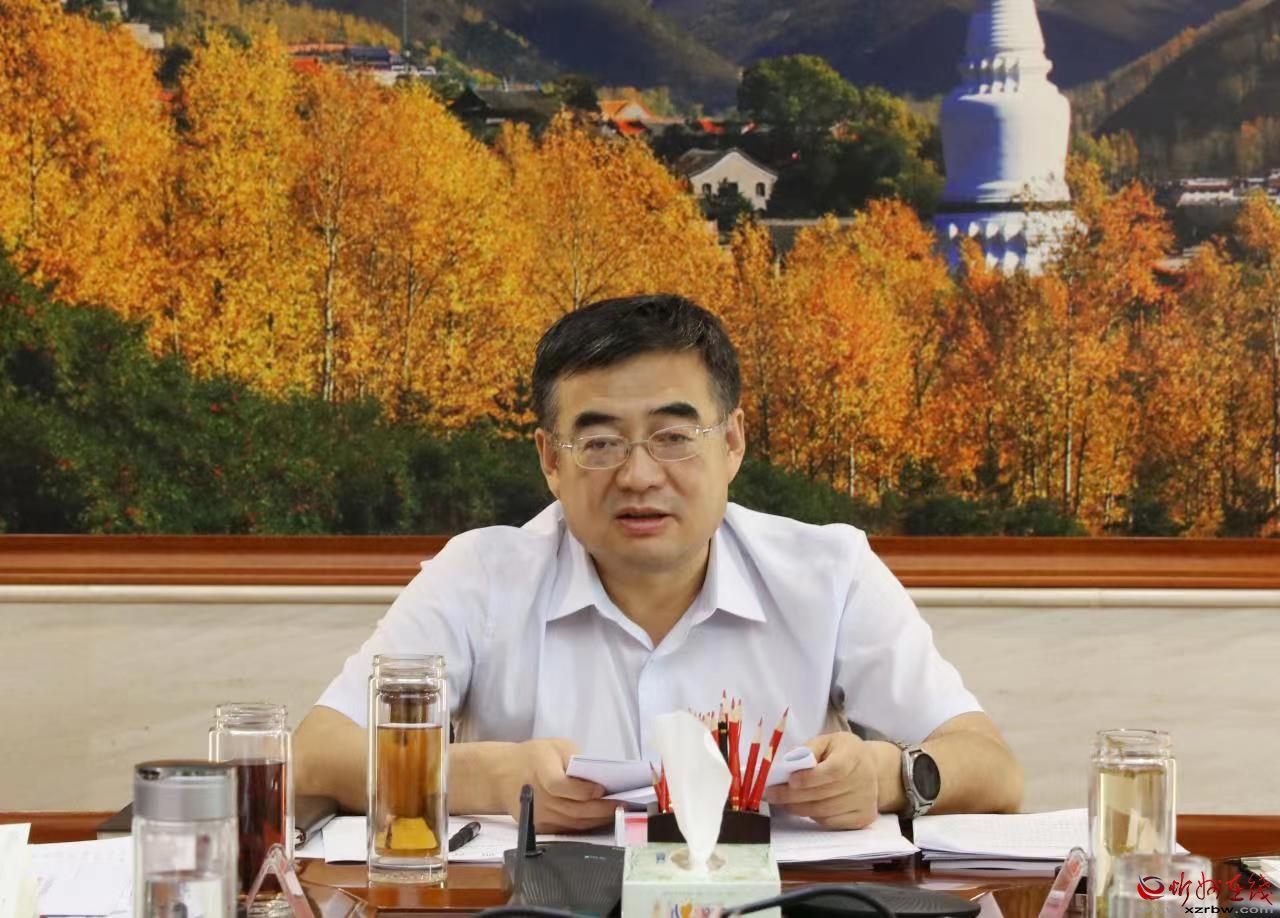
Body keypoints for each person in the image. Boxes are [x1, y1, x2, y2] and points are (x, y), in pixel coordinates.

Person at [294, 294, 1023, 831]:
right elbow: (315, 754)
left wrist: (891, 776)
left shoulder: (830, 572)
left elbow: (992, 768)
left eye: (673, 437)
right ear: (550, 460)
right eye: (601, 443)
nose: (639, 475)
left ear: (731, 442)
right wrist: (483, 776)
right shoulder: (480, 575)